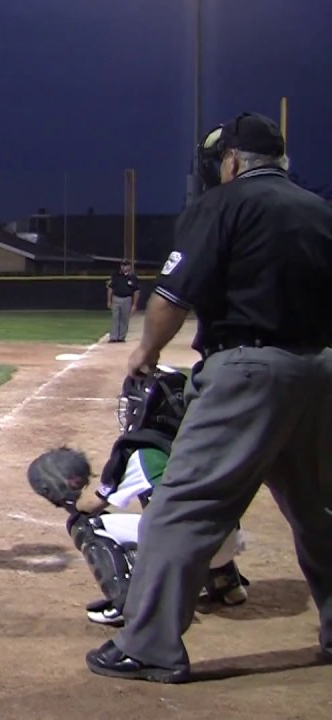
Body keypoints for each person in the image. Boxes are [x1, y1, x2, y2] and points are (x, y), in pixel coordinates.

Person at [86, 111, 332, 683]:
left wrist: (146, 351)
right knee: (320, 512)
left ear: (233, 161)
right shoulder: (320, 210)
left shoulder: (223, 204)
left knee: (182, 506)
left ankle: (148, 644)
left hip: (247, 371)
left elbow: (172, 296)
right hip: (320, 372)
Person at [66, 369, 248, 628]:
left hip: (187, 548)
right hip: (229, 539)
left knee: (85, 524)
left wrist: (70, 500)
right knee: (179, 502)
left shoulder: (142, 452)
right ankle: (226, 584)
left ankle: (127, 603)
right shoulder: (205, 439)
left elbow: (93, 505)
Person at [106, 261, 141, 342]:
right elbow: (110, 288)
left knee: (124, 319)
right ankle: (113, 337)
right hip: (116, 298)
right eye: (123, 265)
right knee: (115, 318)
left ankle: (121, 337)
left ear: (129, 266)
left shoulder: (133, 277)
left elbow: (136, 291)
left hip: (127, 299)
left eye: (126, 265)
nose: (124, 267)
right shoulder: (115, 275)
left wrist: (134, 304)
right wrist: (109, 301)